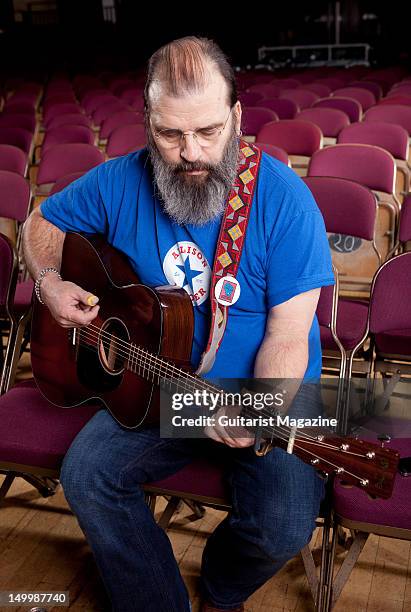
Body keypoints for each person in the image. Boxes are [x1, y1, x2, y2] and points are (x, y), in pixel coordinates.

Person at [23, 37, 334, 612]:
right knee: (88, 475)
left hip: (266, 388)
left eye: (209, 132)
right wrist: (48, 283)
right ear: (146, 122)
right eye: (170, 134)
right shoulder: (118, 181)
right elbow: (39, 222)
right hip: (158, 382)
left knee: (283, 525)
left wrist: (257, 413)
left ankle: (220, 589)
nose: (191, 153)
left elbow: (289, 336)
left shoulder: (286, 202)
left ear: (237, 116)